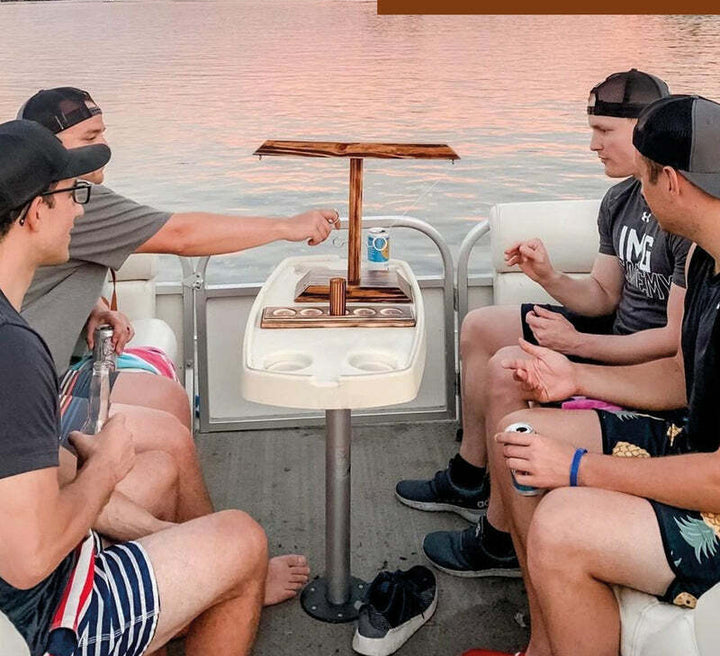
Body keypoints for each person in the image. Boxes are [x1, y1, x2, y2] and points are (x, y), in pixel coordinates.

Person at [395, 69, 691, 578]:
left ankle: (500, 539)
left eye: (604, 132)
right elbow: (602, 297)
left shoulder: (682, 215)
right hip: (611, 334)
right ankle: (470, 475)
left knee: (511, 367)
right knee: (482, 327)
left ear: (646, 130)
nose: (592, 144)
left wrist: (576, 345)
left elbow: (672, 342)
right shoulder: (620, 199)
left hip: (644, 358)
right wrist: (548, 276)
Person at [0, 119, 266, 656]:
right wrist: (106, 465)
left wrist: (136, 513)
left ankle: (179, 596)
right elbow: (28, 559)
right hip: (38, 618)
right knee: (244, 540)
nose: (80, 208)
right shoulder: (14, 352)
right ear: (33, 213)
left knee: (163, 470)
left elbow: (40, 472)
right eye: (70, 195)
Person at [466, 94, 720, 656]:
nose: (641, 196)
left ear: (671, 182)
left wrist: (580, 468)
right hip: (692, 447)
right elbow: (679, 379)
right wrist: (575, 381)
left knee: (561, 523)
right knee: (521, 440)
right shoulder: (706, 258)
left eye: (647, 180)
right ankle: (543, 644)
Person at [18, 86, 341, 427]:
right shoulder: (72, 201)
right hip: (30, 392)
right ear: (47, 148)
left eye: (103, 133)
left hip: (44, 371)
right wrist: (286, 227)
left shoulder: (26, 193)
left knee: (168, 404)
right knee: (167, 425)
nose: (103, 147)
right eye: (89, 137)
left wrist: (94, 307)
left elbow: (42, 275)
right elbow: (182, 235)